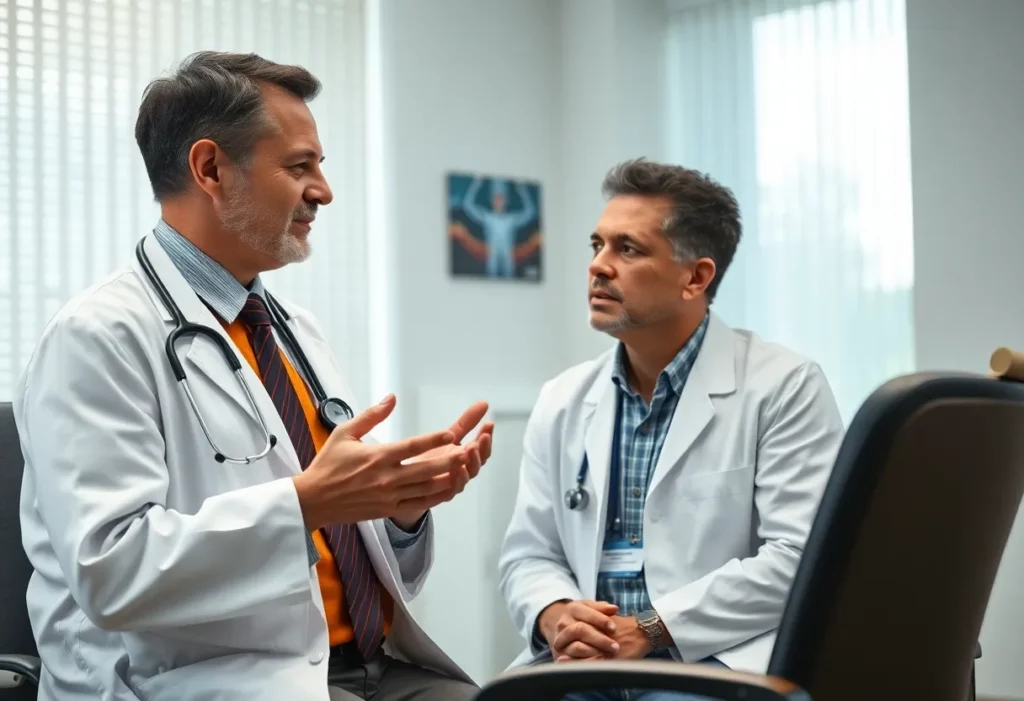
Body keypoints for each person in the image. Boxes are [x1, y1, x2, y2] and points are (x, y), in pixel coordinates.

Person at [15, 51, 491, 701]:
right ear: (210, 168)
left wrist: (396, 513)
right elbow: (111, 571)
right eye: (300, 166)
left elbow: (325, 525)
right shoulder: (98, 336)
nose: (323, 190)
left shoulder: (290, 326)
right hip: (199, 678)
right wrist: (307, 502)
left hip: (366, 665)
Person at [497, 158, 845, 700]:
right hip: (584, 664)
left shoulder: (784, 386)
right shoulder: (563, 398)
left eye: (627, 249)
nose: (599, 267)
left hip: (714, 663)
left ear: (696, 277)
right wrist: (557, 615)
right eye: (597, 246)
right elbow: (529, 554)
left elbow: (800, 558)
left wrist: (652, 629)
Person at [460, 175, 536, 277]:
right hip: (492, 258)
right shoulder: (487, 217)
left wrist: (522, 190)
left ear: (505, 201)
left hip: (508, 260)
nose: (498, 201)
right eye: (496, 198)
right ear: (492, 200)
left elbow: (530, 212)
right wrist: (476, 184)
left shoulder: (511, 219)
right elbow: (467, 205)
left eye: (501, 198)